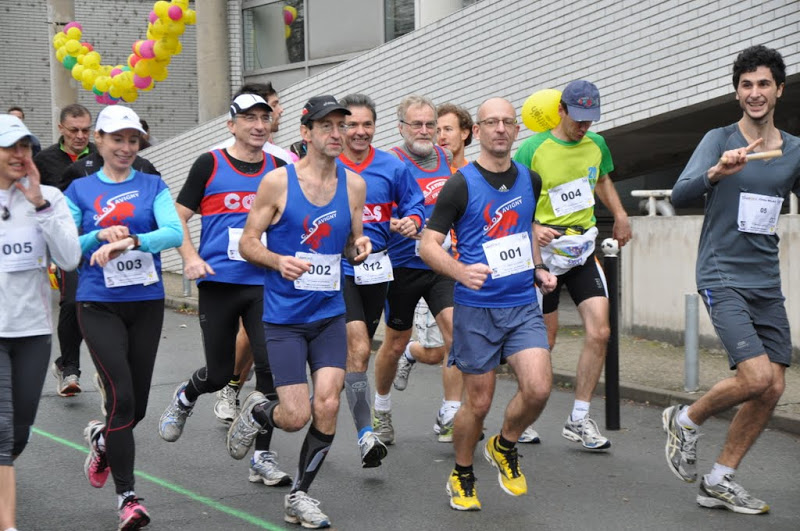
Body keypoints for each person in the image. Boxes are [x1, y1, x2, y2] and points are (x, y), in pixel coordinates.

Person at [664, 45, 800, 515]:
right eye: (746, 85)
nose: (755, 93)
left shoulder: (794, 149)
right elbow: (681, 192)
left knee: (774, 387)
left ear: (779, 90)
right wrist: (716, 172)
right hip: (720, 271)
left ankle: (719, 479)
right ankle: (684, 418)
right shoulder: (718, 138)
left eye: (764, 84)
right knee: (756, 375)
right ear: (737, 91)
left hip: (765, 277)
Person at [227, 95, 370, 528]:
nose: (336, 134)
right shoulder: (277, 183)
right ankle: (257, 411)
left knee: (327, 405)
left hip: (329, 312)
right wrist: (277, 260)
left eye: (340, 126)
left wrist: (358, 248)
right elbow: (248, 242)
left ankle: (300, 496)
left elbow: (351, 242)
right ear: (305, 133)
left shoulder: (354, 185)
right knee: (295, 416)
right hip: (285, 318)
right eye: (325, 126)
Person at [420, 98, 555, 510]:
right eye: (491, 122)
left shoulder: (530, 180)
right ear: (477, 131)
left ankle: (504, 444)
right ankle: (462, 473)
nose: (500, 129)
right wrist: (459, 271)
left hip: (521, 305)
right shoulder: (459, 184)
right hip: (477, 308)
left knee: (538, 388)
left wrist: (536, 268)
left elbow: (524, 227)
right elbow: (428, 245)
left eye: (507, 122)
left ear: (517, 131)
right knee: (477, 404)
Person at [157, 93, 291, 487]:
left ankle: (263, 457)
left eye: (264, 117)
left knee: (271, 371)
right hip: (218, 282)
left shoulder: (280, 169)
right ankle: (185, 396)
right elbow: (176, 217)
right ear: (231, 124)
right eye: (248, 117)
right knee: (219, 374)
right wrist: (190, 257)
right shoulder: (209, 164)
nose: (257, 125)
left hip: (264, 282)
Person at [64, 105, 182, 529]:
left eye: (133, 140)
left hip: (146, 303)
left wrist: (131, 239)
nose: (126, 147)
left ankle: (101, 440)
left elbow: (173, 231)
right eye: (117, 139)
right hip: (98, 304)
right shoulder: (78, 191)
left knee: (135, 411)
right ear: (99, 140)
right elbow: (66, 246)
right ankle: (127, 498)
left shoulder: (152, 185)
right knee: (123, 399)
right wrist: (98, 235)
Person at [513, 80, 631, 449]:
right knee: (542, 340)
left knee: (600, 332)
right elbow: (513, 196)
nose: (583, 127)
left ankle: (578, 419)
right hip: (544, 254)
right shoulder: (533, 148)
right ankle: (526, 412)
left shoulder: (596, 144)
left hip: (580, 248)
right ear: (561, 110)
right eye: (578, 119)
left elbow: (603, 179)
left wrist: (620, 213)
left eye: (590, 120)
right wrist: (532, 226)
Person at [0, 114, 80, 531]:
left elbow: (69, 259)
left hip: (32, 331)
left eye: (26, 147)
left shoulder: (49, 196)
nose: (20, 154)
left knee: (20, 431)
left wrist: (40, 205)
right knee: (0, 429)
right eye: (11, 147)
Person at [336, 93, 425, 467]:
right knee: (357, 348)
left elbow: (415, 205)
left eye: (366, 124)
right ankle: (363, 434)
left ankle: (334, 392)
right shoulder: (328, 164)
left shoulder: (392, 167)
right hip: (337, 270)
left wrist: (412, 222)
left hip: (377, 269)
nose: (360, 132)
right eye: (352, 124)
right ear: (340, 128)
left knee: (358, 352)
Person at [372, 95, 464, 445]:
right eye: (418, 124)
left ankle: (450, 414)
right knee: (395, 344)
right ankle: (381, 410)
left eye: (431, 124)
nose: (426, 131)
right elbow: (375, 211)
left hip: (440, 263)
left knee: (457, 334)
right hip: (402, 266)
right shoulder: (390, 163)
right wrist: (398, 223)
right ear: (401, 128)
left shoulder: (444, 158)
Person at [210, 83, 293, 426]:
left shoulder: (284, 160)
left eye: (270, 111)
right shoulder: (215, 157)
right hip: (227, 272)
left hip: (268, 269)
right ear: (235, 121)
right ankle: (227, 385)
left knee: (266, 351)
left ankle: (262, 445)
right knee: (240, 341)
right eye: (260, 112)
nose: (271, 118)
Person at [393, 103, 473, 401]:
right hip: (414, 263)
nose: (434, 135)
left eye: (440, 128)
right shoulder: (402, 163)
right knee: (428, 350)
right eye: (424, 126)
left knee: (456, 338)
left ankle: (451, 412)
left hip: (452, 265)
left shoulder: (459, 166)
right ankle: (409, 354)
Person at [33, 103, 96, 397]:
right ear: (61, 129)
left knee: (92, 305)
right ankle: (70, 368)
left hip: (98, 241)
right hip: (62, 244)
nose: (81, 136)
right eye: (74, 130)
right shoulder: (43, 160)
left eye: (86, 130)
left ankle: (68, 361)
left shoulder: (101, 155)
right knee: (72, 302)